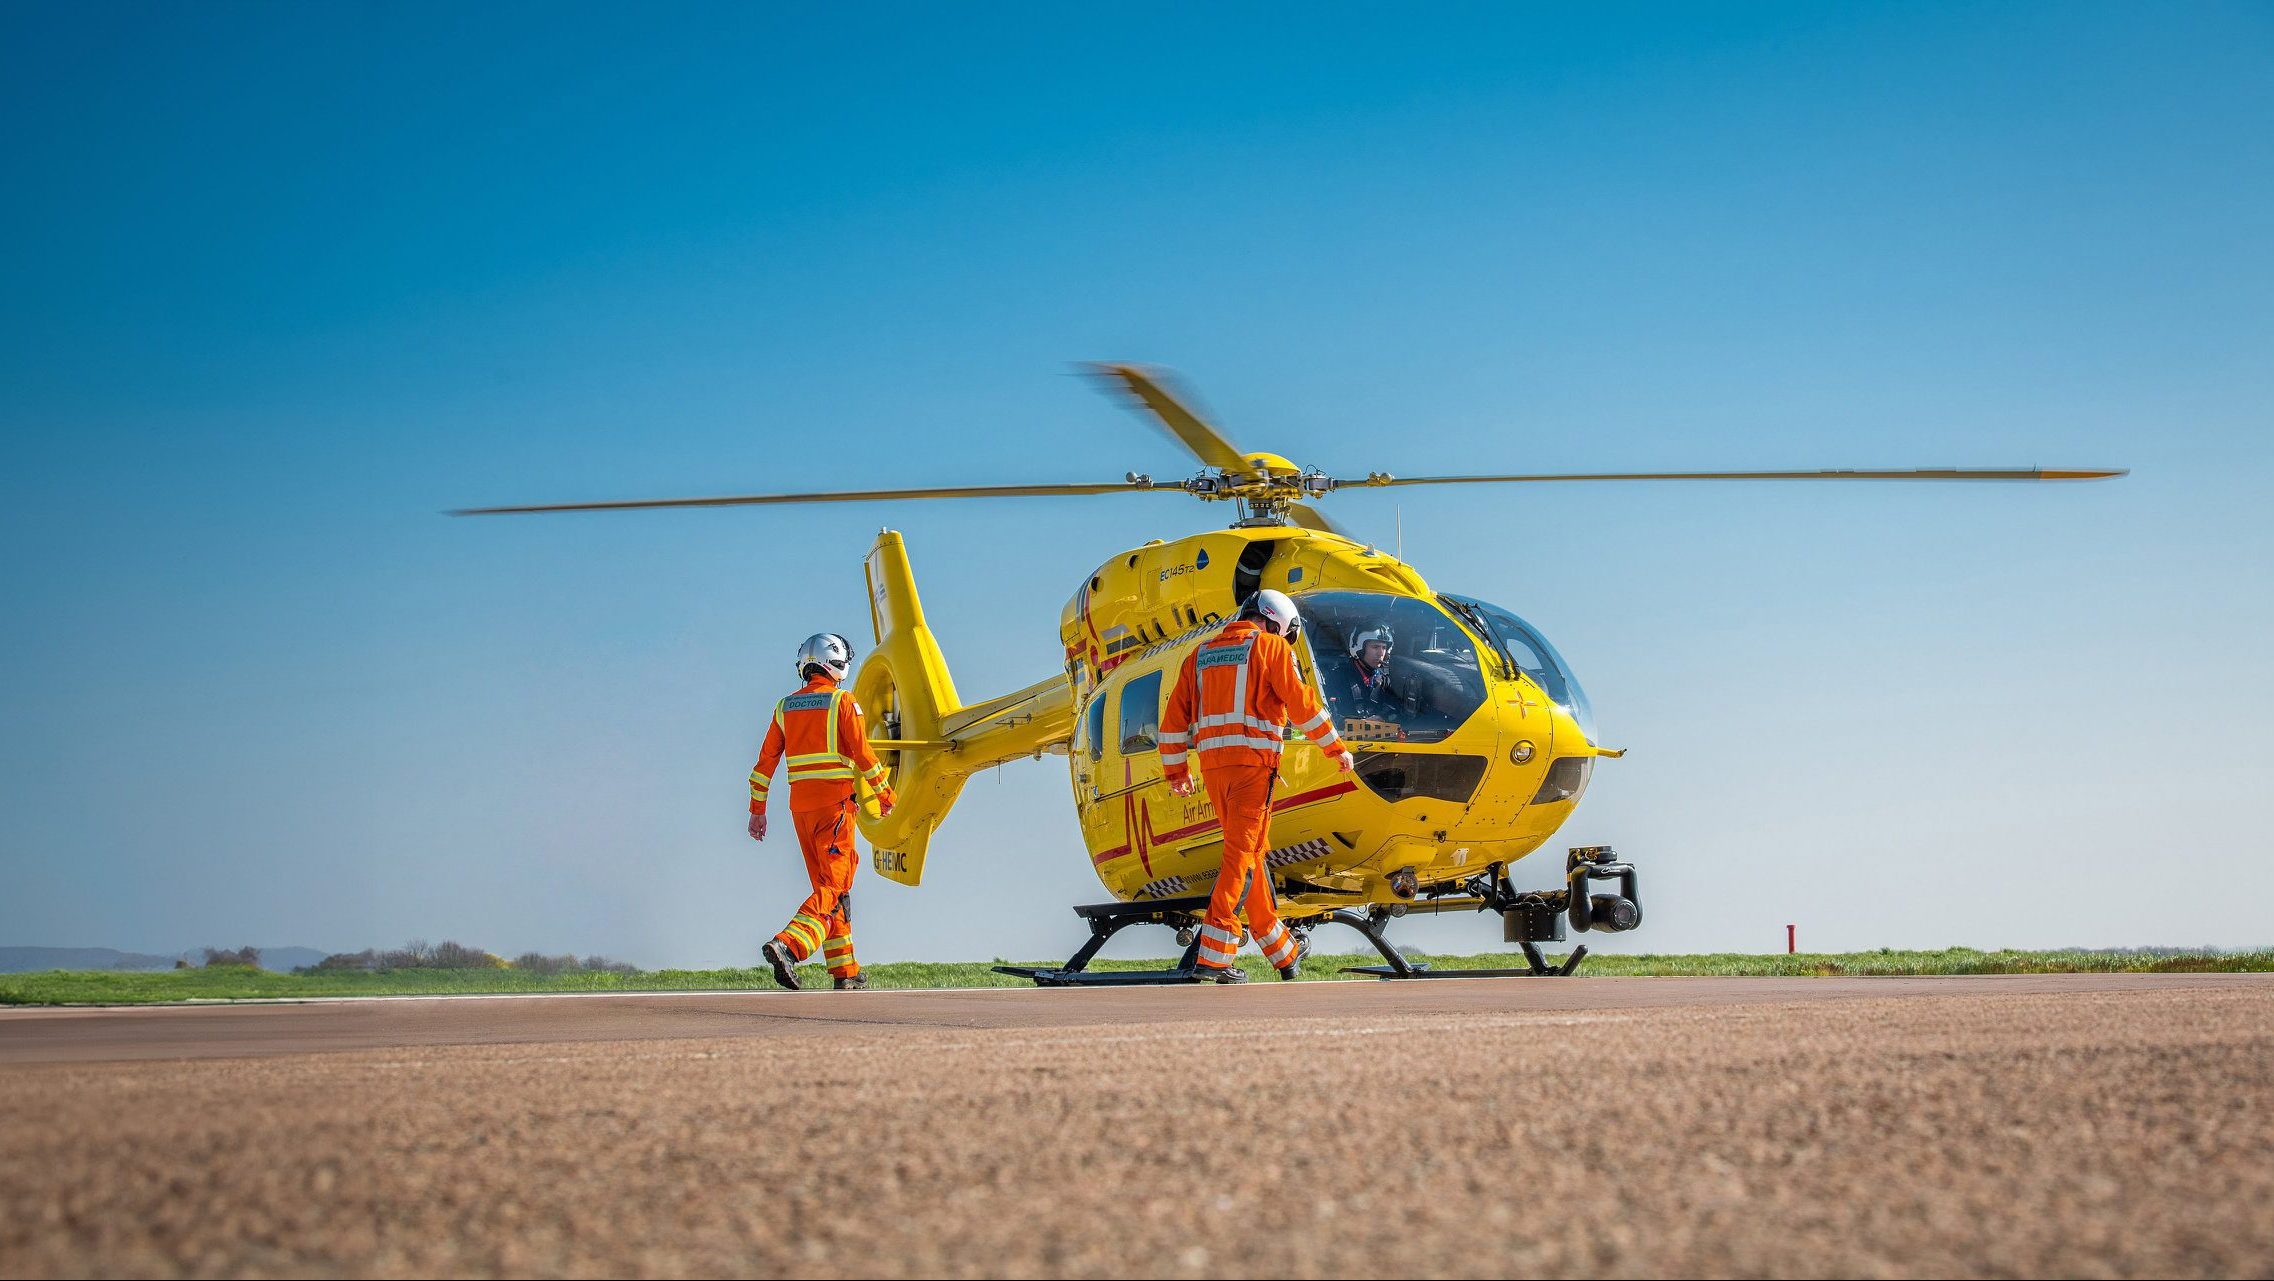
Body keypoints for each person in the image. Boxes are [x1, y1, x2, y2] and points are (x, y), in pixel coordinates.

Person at [1159, 590, 1356, 982]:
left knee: (1251, 853)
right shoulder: (1271, 649)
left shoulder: (1198, 656)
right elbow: (1302, 706)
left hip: (1215, 771)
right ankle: (1213, 956)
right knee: (1240, 858)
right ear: (1275, 623)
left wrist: (1178, 773)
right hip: (1253, 768)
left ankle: (1282, 950)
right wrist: (1336, 749)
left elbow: (1173, 722)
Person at [747, 633, 895, 991]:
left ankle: (845, 972)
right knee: (834, 885)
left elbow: (765, 763)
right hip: (835, 810)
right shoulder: (843, 702)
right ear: (838, 664)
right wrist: (884, 794)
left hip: (801, 811)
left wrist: (757, 811)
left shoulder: (785, 707)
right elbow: (863, 754)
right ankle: (789, 945)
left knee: (831, 889)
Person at [1343, 624, 1397, 719]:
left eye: (1384, 648)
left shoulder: (1385, 680)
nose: (1381, 653)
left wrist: (1382, 716)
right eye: (1375, 647)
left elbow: (1394, 706)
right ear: (1359, 648)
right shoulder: (1338, 677)